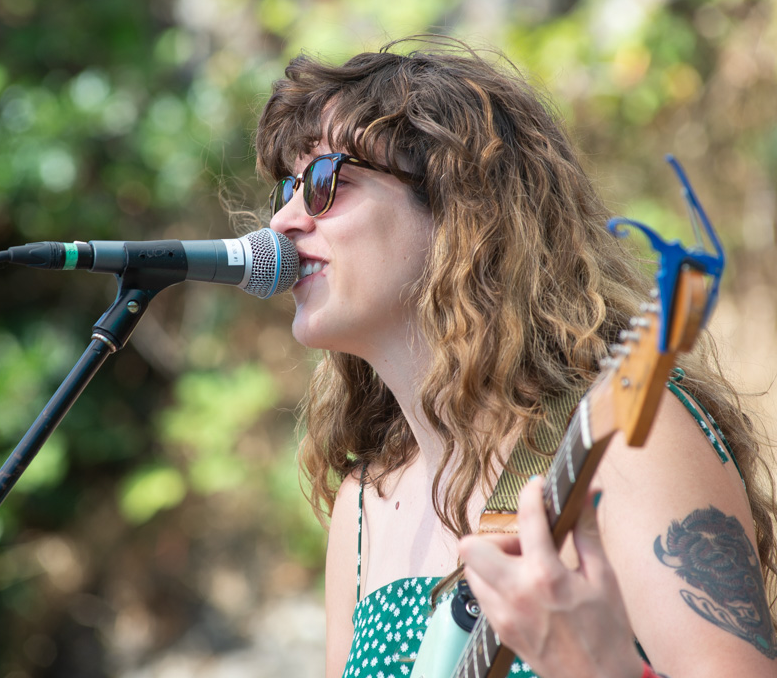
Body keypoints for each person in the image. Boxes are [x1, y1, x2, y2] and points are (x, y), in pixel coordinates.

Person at [257, 37, 777, 678]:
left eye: (322, 181)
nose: (282, 220)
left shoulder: (624, 437)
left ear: (459, 208)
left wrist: (600, 668)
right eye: (285, 188)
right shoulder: (362, 510)